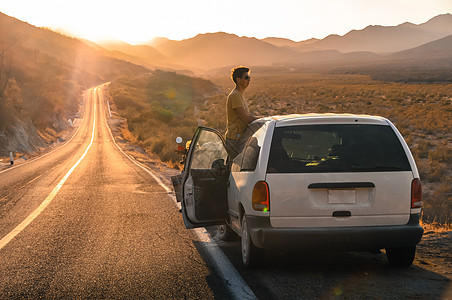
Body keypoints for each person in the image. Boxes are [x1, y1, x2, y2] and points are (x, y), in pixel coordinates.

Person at [225, 66, 258, 159]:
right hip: (235, 139)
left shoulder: (239, 95)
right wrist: (264, 120)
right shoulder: (235, 96)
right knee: (235, 168)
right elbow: (246, 118)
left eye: (249, 78)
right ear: (238, 80)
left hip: (239, 138)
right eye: (246, 78)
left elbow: (248, 116)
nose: (249, 80)